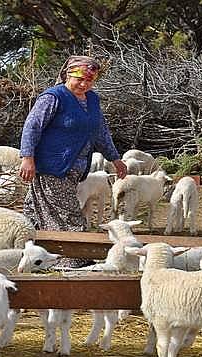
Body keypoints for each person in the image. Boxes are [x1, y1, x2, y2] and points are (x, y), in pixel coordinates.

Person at [19, 55, 127, 233]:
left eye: (89, 80)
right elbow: (32, 126)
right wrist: (27, 157)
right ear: (68, 75)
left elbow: (100, 132)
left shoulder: (92, 100)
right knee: (69, 218)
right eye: (80, 79)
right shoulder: (53, 97)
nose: (84, 84)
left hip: (75, 170)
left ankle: (31, 251)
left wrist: (115, 159)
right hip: (52, 167)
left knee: (36, 213)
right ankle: (73, 258)